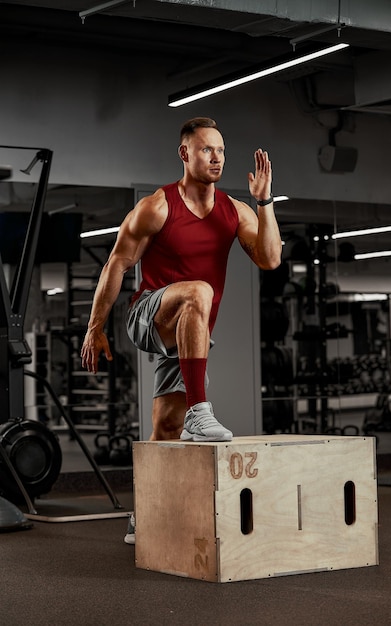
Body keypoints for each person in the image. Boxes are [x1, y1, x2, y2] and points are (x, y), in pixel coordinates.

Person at [80, 117, 282, 543]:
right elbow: (117, 263)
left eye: (221, 151)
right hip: (148, 314)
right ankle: (200, 412)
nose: (216, 158)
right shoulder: (157, 206)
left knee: (166, 428)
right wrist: (95, 326)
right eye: (207, 149)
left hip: (191, 330)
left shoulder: (234, 210)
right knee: (198, 292)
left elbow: (270, 260)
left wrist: (264, 203)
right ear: (184, 153)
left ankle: (143, 514)